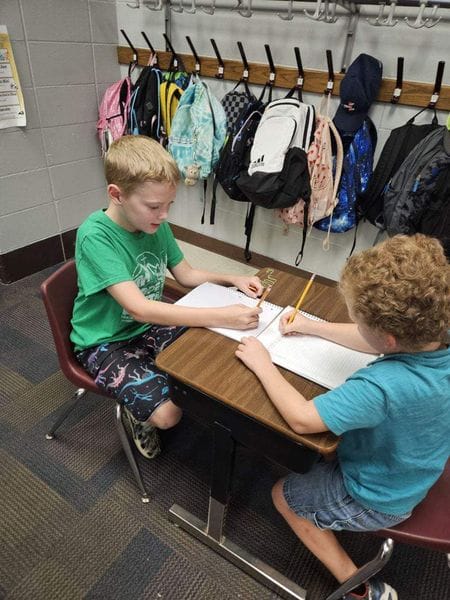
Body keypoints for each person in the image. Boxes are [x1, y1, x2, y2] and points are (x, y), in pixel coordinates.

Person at [235, 234, 450, 600]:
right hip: (420, 463)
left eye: (358, 320)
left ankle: (358, 586)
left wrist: (263, 363)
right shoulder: (434, 334)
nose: (355, 324)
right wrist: (311, 326)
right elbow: (373, 339)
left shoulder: (383, 386)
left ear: (389, 338)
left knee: (284, 496)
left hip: (379, 495)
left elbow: (302, 419)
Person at [71, 135, 263, 459]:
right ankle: (139, 415)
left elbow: (185, 275)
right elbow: (140, 308)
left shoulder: (153, 223)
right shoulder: (95, 236)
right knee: (170, 414)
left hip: (145, 324)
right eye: (154, 206)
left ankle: (153, 377)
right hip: (103, 341)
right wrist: (223, 315)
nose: (163, 215)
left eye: (168, 206)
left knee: (215, 353)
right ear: (117, 195)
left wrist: (232, 278)